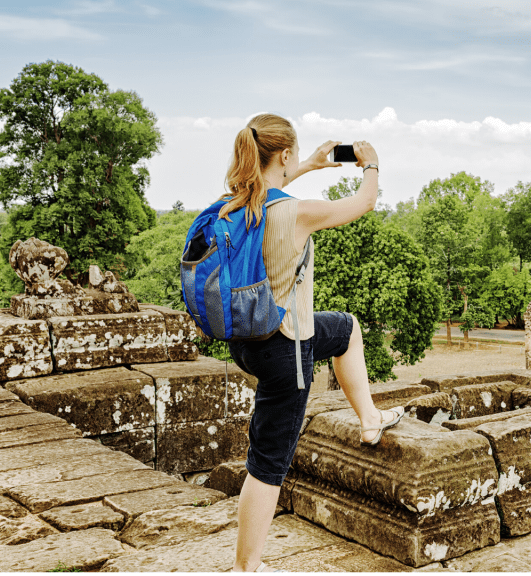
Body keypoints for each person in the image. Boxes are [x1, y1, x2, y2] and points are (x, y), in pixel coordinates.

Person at [221, 114, 402, 572]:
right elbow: (363, 203)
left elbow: (264, 187)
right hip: (286, 350)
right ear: (283, 154)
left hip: (247, 339)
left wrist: (311, 166)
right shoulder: (297, 213)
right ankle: (248, 566)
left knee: (345, 330)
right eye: (294, 155)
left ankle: (369, 418)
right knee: (266, 467)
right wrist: (372, 165)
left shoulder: (232, 204)